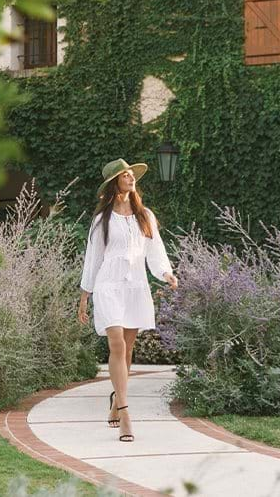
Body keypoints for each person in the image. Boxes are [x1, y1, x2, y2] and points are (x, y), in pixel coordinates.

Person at [76, 158, 179, 443]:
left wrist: (166, 274)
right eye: (125, 175)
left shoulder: (145, 215)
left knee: (128, 349)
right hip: (108, 285)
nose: (131, 177)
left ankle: (114, 401)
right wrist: (85, 295)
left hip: (136, 287)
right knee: (116, 344)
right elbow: (93, 259)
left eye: (132, 174)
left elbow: (155, 251)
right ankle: (125, 413)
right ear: (114, 183)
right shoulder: (102, 219)